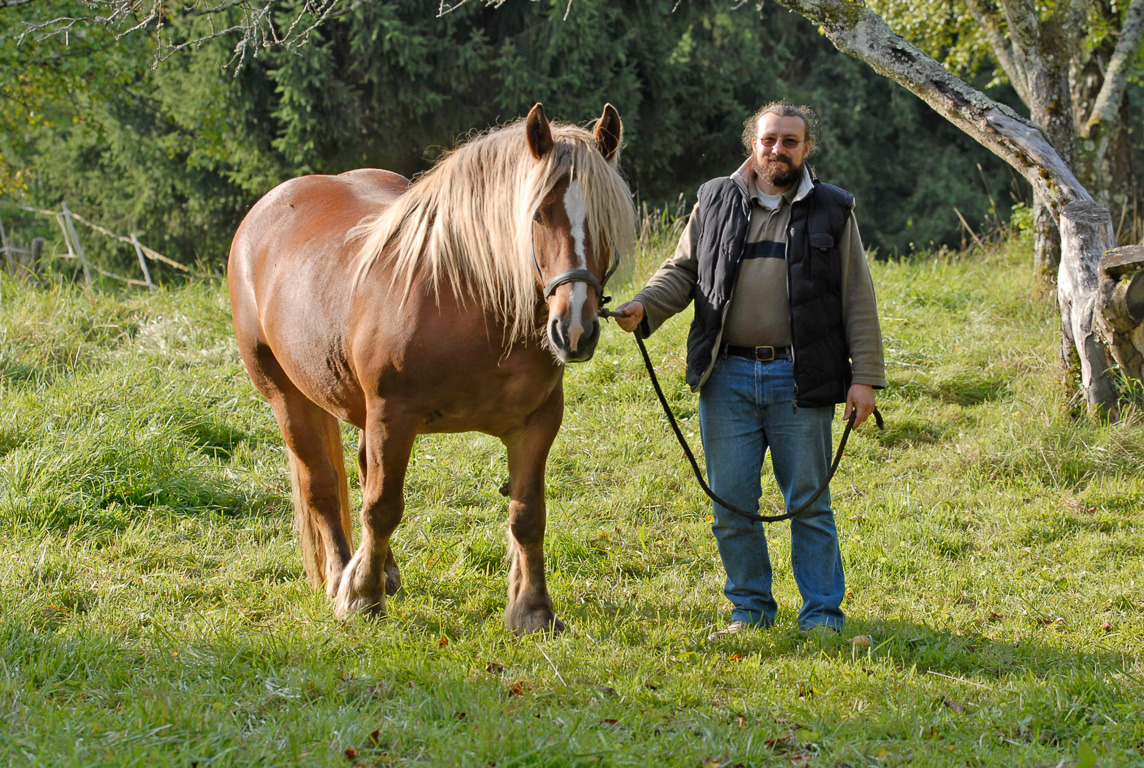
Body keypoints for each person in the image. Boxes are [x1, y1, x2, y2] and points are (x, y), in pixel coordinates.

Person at [615, 102, 886, 639]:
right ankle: (751, 610)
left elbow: (858, 295)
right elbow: (683, 270)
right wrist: (645, 306)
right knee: (731, 504)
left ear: (807, 149)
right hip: (727, 377)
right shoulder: (714, 198)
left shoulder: (834, 209)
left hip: (800, 379)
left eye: (790, 141)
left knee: (808, 502)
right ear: (751, 143)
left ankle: (823, 617)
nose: (777, 149)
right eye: (769, 139)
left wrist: (865, 378)